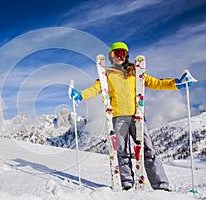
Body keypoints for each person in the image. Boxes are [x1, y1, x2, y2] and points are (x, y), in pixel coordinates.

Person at [70, 42, 192, 191]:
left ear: (126, 55)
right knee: (122, 151)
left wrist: (176, 83)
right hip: (118, 117)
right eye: (115, 54)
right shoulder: (107, 75)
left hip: (137, 116)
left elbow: (156, 83)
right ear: (111, 57)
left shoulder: (136, 72)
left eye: (121, 53)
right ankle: (127, 183)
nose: (118, 56)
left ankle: (161, 185)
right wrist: (80, 95)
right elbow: (95, 88)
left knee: (149, 150)